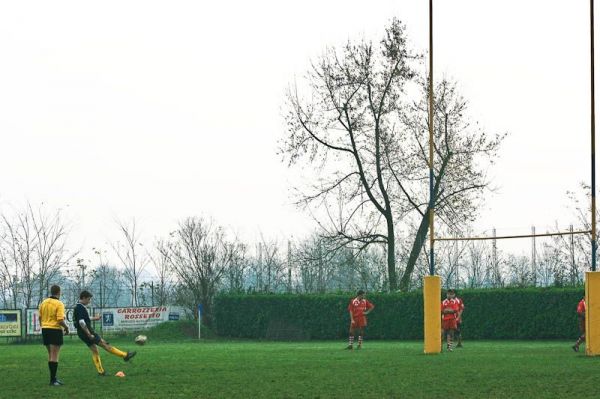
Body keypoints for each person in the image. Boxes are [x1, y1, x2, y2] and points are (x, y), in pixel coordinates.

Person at [74, 290, 137, 375]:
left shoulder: (78, 307)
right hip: (87, 332)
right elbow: (81, 322)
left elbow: (85, 318)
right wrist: (89, 334)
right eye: (88, 299)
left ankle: (101, 371)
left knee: (95, 350)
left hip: (81, 333)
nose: (89, 301)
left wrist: (95, 318)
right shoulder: (80, 308)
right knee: (105, 344)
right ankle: (125, 355)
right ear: (84, 298)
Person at [39, 285, 69, 386]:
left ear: (51, 292)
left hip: (45, 329)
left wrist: (43, 326)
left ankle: (53, 378)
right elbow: (60, 319)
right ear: (59, 292)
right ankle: (53, 380)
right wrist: (66, 327)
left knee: (50, 355)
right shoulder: (59, 303)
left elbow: (40, 317)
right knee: (54, 356)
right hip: (55, 330)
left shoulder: (43, 302)